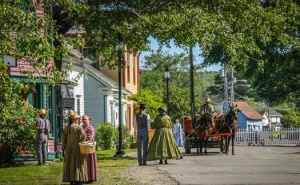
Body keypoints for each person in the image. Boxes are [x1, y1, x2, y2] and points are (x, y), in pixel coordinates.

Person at [62, 112, 88, 185]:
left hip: (68, 146)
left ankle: (71, 179)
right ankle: (78, 179)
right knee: (78, 162)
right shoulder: (78, 127)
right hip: (77, 146)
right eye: (77, 119)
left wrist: (64, 147)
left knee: (70, 162)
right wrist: (83, 139)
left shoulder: (66, 128)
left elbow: (64, 139)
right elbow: (83, 136)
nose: (77, 120)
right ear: (74, 119)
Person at [82, 115, 98, 183]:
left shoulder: (90, 128)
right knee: (84, 164)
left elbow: (90, 138)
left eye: (85, 119)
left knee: (90, 163)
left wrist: (82, 138)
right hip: (83, 148)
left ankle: (91, 178)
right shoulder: (82, 127)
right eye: (83, 119)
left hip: (89, 148)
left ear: (89, 120)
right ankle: (84, 177)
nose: (84, 121)